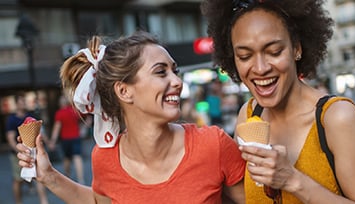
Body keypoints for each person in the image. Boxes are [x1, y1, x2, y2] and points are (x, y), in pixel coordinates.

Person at [16, 30, 246, 203]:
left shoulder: (213, 144)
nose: (177, 82)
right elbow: (102, 201)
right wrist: (48, 176)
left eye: (174, 71)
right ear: (124, 91)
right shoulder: (104, 159)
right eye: (160, 72)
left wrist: (281, 176)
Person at [201, 0, 355, 203]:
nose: (260, 68)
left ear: (296, 48)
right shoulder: (248, 115)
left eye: (274, 52)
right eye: (244, 56)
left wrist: (293, 180)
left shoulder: (337, 117)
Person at [6, 93, 49, 204]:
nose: (23, 104)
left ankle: (44, 201)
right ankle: (18, 202)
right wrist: (20, 151)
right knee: (18, 180)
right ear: (16, 104)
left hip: (34, 152)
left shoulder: (30, 115)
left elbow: (40, 131)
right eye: (21, 102)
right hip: (18, 153)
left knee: (39, 178)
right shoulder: (12, 119)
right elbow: (10, 138)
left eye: (24, 101)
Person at [48, 94, 85, 184]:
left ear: (60, 103)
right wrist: (82, 129)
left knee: (67, 158)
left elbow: (57, 128)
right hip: (76, 137)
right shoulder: (74, 111)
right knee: (77, 157)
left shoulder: (59, 113)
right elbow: (84, 120)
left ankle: (67, 177)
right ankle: (81, 179)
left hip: (66, 139)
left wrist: (52, 141)